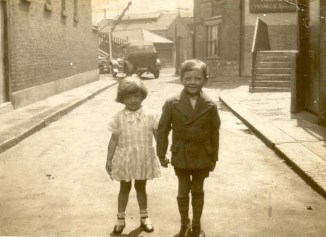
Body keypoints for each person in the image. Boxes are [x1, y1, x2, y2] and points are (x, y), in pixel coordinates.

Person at [157, 59, 221, 237]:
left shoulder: (210, 105)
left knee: (198, 190)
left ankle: (197, 226)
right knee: (183, 190)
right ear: (181, 80)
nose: (193, 82)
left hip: (202, 156)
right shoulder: (172, 103)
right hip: (181, 156)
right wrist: (161, 154)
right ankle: (184, 224)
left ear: (204, 80)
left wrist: (214, 157)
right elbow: (162, 130)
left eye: (197, 78)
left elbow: (215, 133)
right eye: (188, 78)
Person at [105, 77, 161, 235]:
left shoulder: (151, 115)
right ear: (122, 98)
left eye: (136, 96)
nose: (133, 100)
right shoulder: (118, 118)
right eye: (128, 97)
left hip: (142, 158)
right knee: (124, 187)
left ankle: (144, 218)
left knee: (141, 187)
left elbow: (158, 135)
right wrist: (109, 159)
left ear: (142, 96)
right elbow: (113, 140)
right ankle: (120, 219)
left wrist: (162, 153)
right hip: (125, 159)